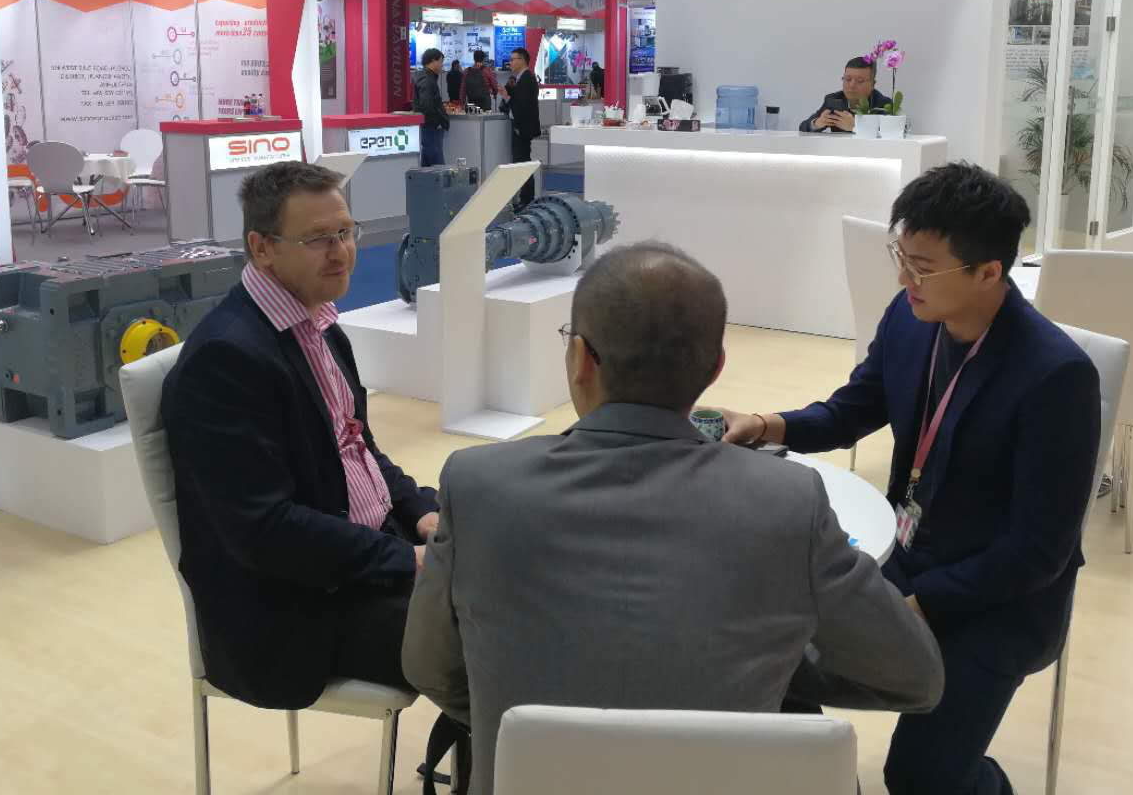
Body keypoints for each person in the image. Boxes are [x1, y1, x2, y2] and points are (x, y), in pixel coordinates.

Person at [403, 242, 945, 795]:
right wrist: (764, 664)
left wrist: (533, 727)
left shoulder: (477, 485)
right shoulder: (790, 501)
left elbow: (428, 668)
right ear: (715, 367)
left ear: (580, 358)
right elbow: (915, 678)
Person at [721, 162, 1101, 795]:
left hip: (999, 602)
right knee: (760, 665)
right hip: (905, 557)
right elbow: (852, 410)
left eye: (922, 267)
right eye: (901, 257)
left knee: (922, 778)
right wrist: (766, 425)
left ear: (988, 272)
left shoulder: (1055, 377)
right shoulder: (910, 317)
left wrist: (915, 607)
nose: (903, 279)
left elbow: (1036, 553)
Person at [162, 161, 441, 710]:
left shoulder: (320, 325)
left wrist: (419, 512)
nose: (342, 252)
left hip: (359, 555)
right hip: (294, 613)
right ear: (262, 248)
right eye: (318, 239)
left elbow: (357, 448)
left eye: (346, 231)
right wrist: (404, 559)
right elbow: (265, 531)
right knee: (485, 629)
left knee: (501, 566)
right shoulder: (225, 360)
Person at [800, 55, 893, 132]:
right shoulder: (833, 100)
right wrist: (817, 123)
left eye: (860, 81)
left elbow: (892, 132)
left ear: (872, 84)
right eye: (848, 79)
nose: (852, 85)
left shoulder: (883, 104)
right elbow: (803, 127)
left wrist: (856, 127)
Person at [501, 46, 540, 209]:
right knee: (521, 162)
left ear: (522, 60)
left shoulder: (527, 78)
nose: (510, 63)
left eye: (512, 59)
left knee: (522, 162)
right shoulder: (519, 79)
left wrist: (507, 97)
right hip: (521, 126)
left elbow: (522, 105)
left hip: (522, 128)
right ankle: (525, 198)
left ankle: (527, 199)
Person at [414, 48, 450, 166]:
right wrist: (438, 122)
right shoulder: (427, 80)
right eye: (441, 61)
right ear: (433, 61)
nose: (442, 65)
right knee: (437, 164)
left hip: (428, 127)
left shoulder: (425, 77)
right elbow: (426, 105)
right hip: (431, 127)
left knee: (427, 163)